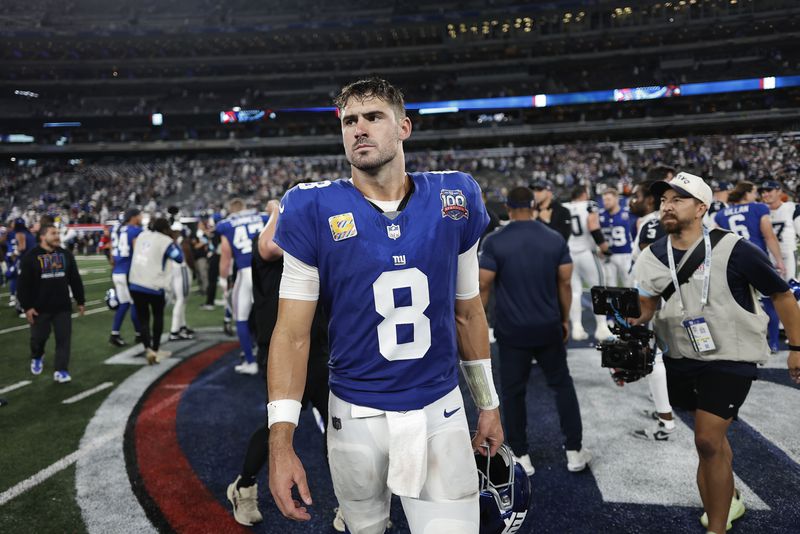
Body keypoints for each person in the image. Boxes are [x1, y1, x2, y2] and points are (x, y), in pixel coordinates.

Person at [267, 77, 503, 534]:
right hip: (354, 414)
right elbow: (291, 334)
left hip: (440, 408)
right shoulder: (310, 206)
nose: (359, 129)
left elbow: (468, 310)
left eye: (373, 117)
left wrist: (488, 404)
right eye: (349, 120)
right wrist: (282, 441)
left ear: (404, 128)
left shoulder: (455, 197)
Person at [632, 172, 800, 534]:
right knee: (713, 443)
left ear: (702, 208)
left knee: (706, 439)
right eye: (664, 200)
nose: (667, 206)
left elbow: (782, 294)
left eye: (678, 199)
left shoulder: (735, 247)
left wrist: (797, 348)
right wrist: (631, 316)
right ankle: (731, 495)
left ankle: (717, 528)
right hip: (680, 356)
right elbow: (647, 305)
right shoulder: (652, 255)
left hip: (731, 356)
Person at [226, 197, 339, 528]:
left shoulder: (308, 255)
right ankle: (244, 485)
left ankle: (351, 498)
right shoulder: (270, 253)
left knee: (340, 424)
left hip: (319, 350)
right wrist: (279, 208)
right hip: (282, 353)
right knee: (278, 429)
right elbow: (269, 245)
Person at [479, 186, 590, 477]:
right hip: (548, 327)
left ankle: (521, 454)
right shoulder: (553, 238)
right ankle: (574, 451)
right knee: (562, 386)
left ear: (507, 206)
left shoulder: (495, 241)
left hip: (512, 330)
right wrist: (564, 320)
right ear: (532, 205)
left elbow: (483, 287)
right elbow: (565, 284)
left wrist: (479, 327)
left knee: (513, 393)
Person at [627, 180, 676, 440]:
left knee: (654, 356)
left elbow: (643, 258)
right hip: (689, 299)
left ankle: (665, 419)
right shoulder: (704, 226)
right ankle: (668, 407)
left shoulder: (652, 224)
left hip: (655, 297)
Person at [714, 181, 784, 352]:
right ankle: (773, 342)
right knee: (770, 302)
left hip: (731, 262)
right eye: (753, 192)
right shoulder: (759, 208)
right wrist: (779, 260)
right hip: (756, 259)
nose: (756, 195)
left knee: (739, 305)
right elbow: (769, 236)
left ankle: (743, 344)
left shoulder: (721, 214)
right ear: (746, 194)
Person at [17, 224, 85, 383]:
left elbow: (74, 279)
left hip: (62, 306)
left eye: (58, 233)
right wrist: (27, 307)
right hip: (39, 308)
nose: (57, 236)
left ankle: (61, 370)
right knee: (38, 339)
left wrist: (80, 300)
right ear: (42, 236)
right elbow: (22, 285)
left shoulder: (66, 255)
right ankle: (37, 355)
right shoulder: (31, 257)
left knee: (64, 339)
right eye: (53, 233)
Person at [215, 198, 269, 375]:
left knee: (241, 318)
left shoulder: (227, 224)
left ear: (231, 211)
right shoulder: (261, 217)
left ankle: (250, 361)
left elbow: (225, 254)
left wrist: (223, 279)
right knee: (274, 317)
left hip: (245, 273)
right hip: (265, 271)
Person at [128, 218, 184, 365]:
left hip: (135, 282)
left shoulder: (142, 235)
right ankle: (156, 349)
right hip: (153, 284)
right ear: (166, 229)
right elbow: (179, 258)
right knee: (157, 316)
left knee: (143, 319)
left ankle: (148, 350)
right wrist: (174, 240)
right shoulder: (165, 240)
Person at [564, 186, 611, 341]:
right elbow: (593, 225)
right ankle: (602, 328)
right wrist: (604, 247)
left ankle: (577, 327)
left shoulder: (565, 206)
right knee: (598, 290)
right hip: (586, 253)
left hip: (569, 253)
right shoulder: (589, 205)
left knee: (574, 292)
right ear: (584, 194)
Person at [108, 208, 144, 347]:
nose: (141, 218)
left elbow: (112, 253)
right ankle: (140, 334)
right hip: (129, 271)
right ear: (133, 217)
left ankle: (114, 334)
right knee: (136, 303)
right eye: (139, 215)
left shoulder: (116, 230)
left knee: (124, 303)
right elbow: (137, 253)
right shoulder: (135, 231)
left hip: (117, 271)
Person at [759, 179, 800, 281]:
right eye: (763, 192)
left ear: (779, 191)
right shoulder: (760, 211)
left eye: (769, 191)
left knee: (792, 287)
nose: (765, 194)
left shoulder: (792, 208)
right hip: (766, 255)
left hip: (788, 253)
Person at [599, 188, 634, 287]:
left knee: (629, 285)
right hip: (608, 255)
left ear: (616, 199)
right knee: (609, 286)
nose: (606, 202)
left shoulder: (627, 213)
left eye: (608, 199)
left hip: (626, 254)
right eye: (604, 200)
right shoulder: (600, 215)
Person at [168, 224, 195, 341]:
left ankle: (182, 326)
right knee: (181, 300)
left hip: (172, 271)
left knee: (180, 300)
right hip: (180, 269)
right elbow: (187, 257)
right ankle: (174, 331)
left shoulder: (168, 241)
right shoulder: (180, 242)